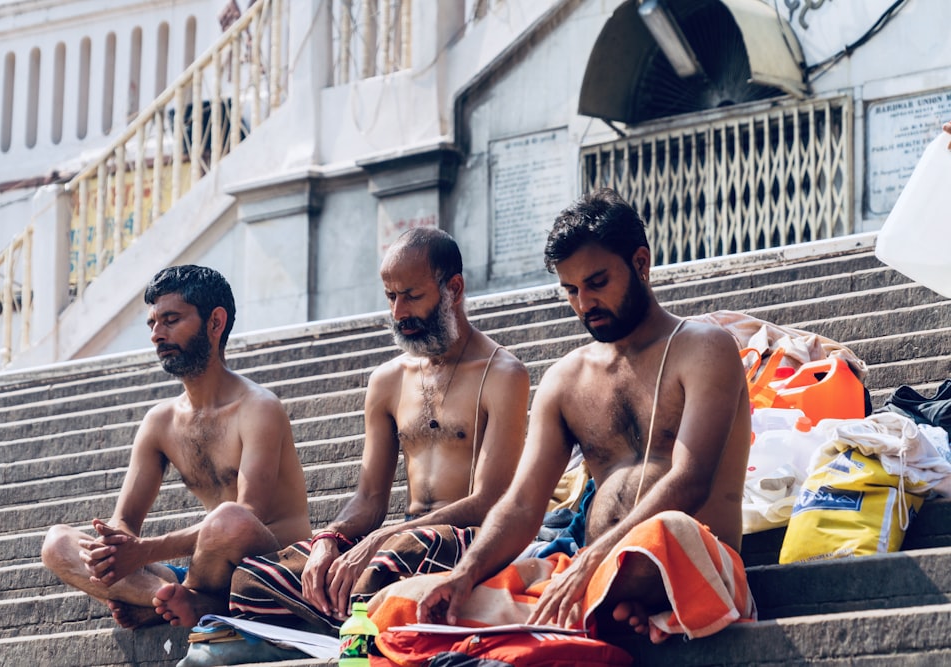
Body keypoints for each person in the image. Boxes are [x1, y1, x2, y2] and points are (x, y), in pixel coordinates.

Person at [371, 188, 755, 647]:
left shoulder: (704, 348)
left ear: (640, 263)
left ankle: (599, 606)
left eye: (597, 282)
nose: (583, 303)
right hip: (588, 568)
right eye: (570, 290)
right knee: (404, 603)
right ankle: (608, 611)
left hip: (689, 558)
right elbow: (521, 504)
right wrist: (465, 574)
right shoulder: (565, 379)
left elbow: (691, 479)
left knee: (657, 540)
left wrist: (595, 558)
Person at [228, 227, 531, 634]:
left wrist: (386, 536)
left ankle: (344, 617)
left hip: (465, 539)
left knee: (391, 561)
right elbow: (369, 498)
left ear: (453, 289)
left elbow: (490, 500)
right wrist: (328, 540)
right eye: (391, 296)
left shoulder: (503, 374)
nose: (397, 312)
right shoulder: (387, 380)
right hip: (397, 542)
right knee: (249, 581)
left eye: (412, 295)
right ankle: (353, 614)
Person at [41, 265, 311, 630]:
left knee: (228, 519)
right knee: (57, 543)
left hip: (271, 566)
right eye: (152, 323)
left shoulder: (259, 408)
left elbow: (250, 515)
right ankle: (178, 599)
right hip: (200, 569)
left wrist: (145, 551)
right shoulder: (160, 422)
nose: (157, 335)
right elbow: (125, 523)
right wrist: (113, 548)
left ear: (215, 322)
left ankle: (168, 601)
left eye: (170, 320)